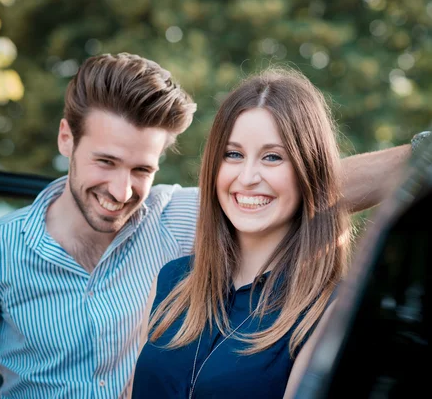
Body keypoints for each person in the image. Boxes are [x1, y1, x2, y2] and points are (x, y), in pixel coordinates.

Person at [0, 53, 416, 398]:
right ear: (67, 138)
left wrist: (431, 151)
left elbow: (287, 192)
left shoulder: (183, 216)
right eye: (105, 162)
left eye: (142, 170)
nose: (122, 191)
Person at [130, 68, 352, 399]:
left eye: (273, 157)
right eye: (233, 154)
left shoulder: (330, 309)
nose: (247, 177)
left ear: (310, 171)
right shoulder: (170, 282)